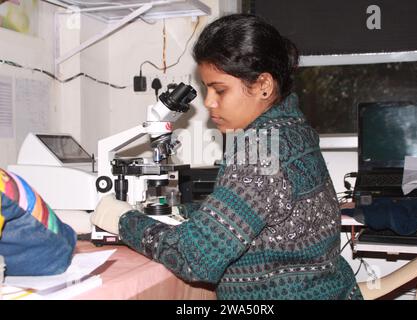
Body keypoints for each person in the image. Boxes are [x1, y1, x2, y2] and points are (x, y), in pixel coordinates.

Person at [91, 13, 363, 300]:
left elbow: (195, 258)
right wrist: (183, 214)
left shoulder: (258, 149)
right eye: (207, 89)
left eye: (219, 89)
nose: (208, 102)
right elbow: (257, 215)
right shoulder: (295, 130)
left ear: (263, 86)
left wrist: (122, 219)